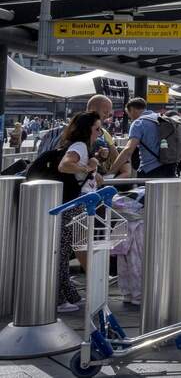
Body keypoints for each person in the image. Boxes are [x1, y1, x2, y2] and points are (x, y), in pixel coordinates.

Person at [30, 111, 103, 312]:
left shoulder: (80, 146)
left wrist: (93, 170)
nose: (100, 132)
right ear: (88, 128)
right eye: (97, 128)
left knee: (64, 250)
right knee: (64, 251)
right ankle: (59, 298)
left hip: (74, 202)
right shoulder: (79, 146)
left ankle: (68, 294)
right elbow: (65, 166)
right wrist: (88, 168)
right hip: (75, 204)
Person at [112, 98, 177, 179]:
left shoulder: (138, 123)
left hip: (150, 170)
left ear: (132, 110)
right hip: (170, 168)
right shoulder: (161, 118)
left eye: (128, 114)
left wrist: (111, 172)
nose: (130, 118)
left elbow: (128, 150)